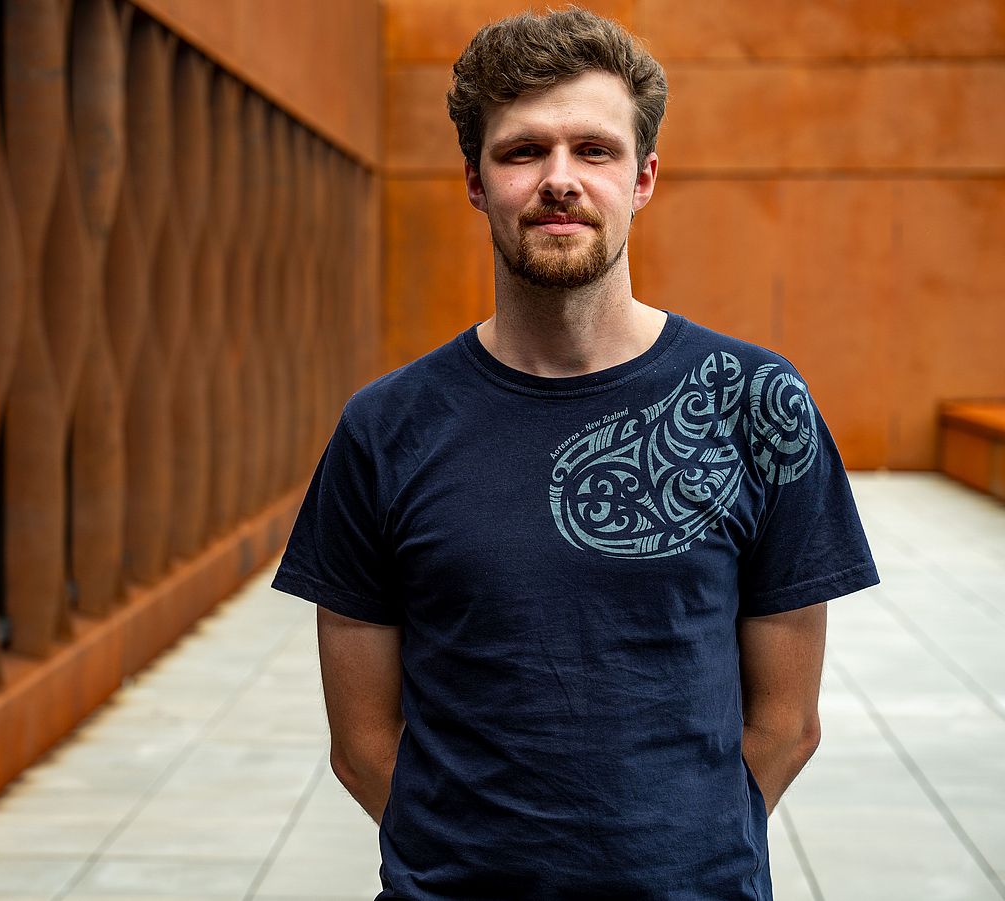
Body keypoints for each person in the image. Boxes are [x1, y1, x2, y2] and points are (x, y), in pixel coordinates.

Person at [272, 7, 879, 899]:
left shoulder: (756, 402)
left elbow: (787, 725)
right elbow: (362, 743)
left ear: (643, 178)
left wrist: (682, 854)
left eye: (594, 150)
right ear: (476, 182)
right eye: (522, 152)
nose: (560, 180)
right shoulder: (385, 426)